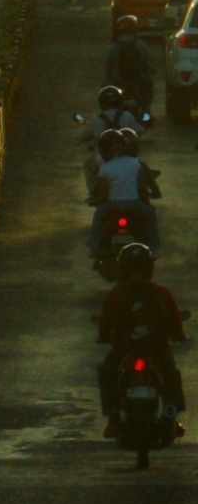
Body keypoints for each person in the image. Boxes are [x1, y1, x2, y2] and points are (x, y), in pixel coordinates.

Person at [96, 241, 188, 437]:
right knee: (170, 375)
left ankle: (114, 418)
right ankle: (170, 416)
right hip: (155, 348)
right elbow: (174, 321)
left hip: (126, 348)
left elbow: (105, 323)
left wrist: (103, 336)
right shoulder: (160, 293)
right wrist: (179, 336)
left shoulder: (116, 294)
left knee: (108, 372)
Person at [88, 127, 161, 258]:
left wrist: (96, 200)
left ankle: (94, 249)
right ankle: (153, 248)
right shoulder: (136, 163)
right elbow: (141, 187)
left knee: (97, 218)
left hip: (112, 206)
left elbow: (102, 193)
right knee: (151, 215)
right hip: (135, 204)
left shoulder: (105, 168)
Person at [106, 15, 155, 116]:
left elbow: (108, 68)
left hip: (120, 82)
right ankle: (147, 115)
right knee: (147, 99)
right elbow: (149, 64)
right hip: (137, 83)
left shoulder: (113, 48)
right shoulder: (142, 46)